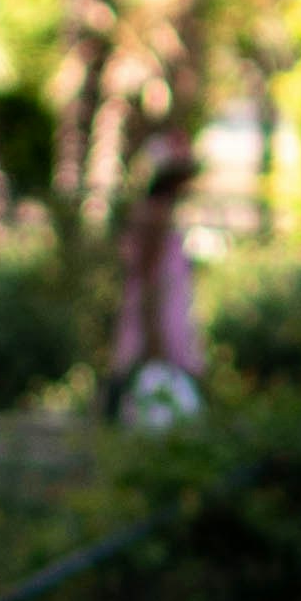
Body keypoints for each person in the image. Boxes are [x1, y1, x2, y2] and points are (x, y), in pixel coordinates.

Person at [109, 148, 204, 425]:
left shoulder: (159, 215)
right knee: (141, 379)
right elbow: (149, 278)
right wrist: (154, 333)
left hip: (165, 309)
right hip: (158, 314)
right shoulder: (154, 217)